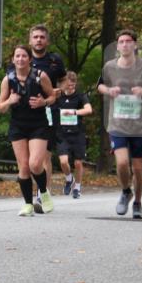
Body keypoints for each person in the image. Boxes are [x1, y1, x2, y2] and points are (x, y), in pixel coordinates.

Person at [96, 29, 142, 219]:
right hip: (117, 124)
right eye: (121, 41)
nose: (125, 44)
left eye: (128, 41)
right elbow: (100, 86)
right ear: (117, 46)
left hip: (141, 125)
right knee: (122, 163)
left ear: (135, 45)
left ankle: (137, 203)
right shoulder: (110, 66)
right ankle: (126, 191)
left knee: (137, 167)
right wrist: (109, 90)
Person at [0, 45, 57, 216]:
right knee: (23, 167)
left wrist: (43, 102)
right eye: (18, 56)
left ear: (30, 59)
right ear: (13, 59)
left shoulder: (40, 76)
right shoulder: (8, 80)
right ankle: (28, 204)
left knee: (35, 164)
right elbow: (0, 107)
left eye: (24, 56)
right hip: (18, 126)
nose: (21, 59)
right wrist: (9, 101)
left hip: (38, 124)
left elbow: (53, 96)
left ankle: (44, 193)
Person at [26, 25, 66, 195]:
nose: (39, 40)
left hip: (49, 111)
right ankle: (32, 192)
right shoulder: (23, 60)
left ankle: (44, 193)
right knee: (29, 160)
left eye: (42, 37)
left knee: (44, 156)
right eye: (35, 37)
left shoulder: (55, 60)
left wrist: (60, 90)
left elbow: (64, 80)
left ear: (47, 41)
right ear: (30, 40)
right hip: (26, 114)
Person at [55, 71, 92, 199]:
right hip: (62, 134)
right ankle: (69, 179)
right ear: (63, 84)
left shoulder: (80, 96)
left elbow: (88, 109)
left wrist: (74, 112)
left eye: (73, 85)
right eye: (68, 85)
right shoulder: (58, 96)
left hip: (77, 134)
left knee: (77, 163)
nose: (71, 87)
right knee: (64, 161)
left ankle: (77, 187)